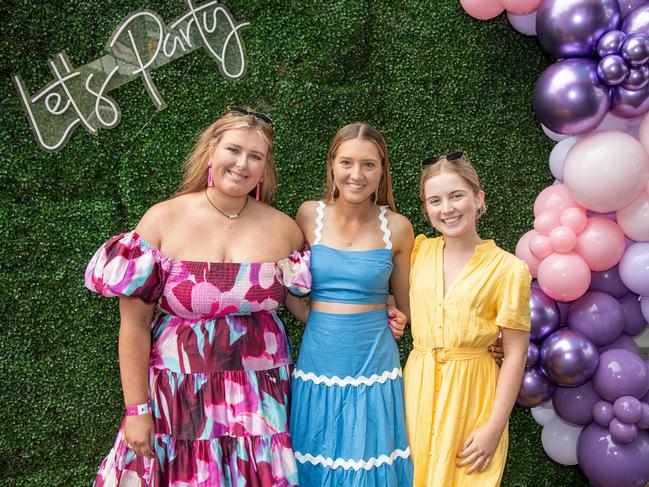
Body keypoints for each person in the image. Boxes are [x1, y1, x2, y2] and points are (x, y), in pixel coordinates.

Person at [84, 107, 311, 487]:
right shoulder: (163, 220)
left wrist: (373, 308)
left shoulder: (284, 229)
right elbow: (135, 326)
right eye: (234, 150)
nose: (242, 164)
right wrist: (137, 410)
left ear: (265, 168)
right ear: (211, 151)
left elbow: (307, 307)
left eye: (256, 156)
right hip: (179, 402)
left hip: (262, 404)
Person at [286, 122, 415, 486]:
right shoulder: (308, 215)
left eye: (368, 165)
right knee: (316, 452)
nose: (356, 174)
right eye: (346, 163)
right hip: (319, 359)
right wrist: (312, 316)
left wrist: (396, 314)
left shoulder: (399, 227)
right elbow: (290, 285)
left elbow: (407, 305)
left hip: (373, 361)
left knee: (367, 461)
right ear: (332, 166)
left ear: (382, 170)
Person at [404, 152, 531, 486]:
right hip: (416, 389)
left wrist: (493, 427)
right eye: (435, 200)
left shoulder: (508, 269)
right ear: (426, 207)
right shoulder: (418, 253)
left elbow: (516, 352)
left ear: (478, 198)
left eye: (456, 196)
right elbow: (398, 298)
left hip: (473, 396)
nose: (447, 208)